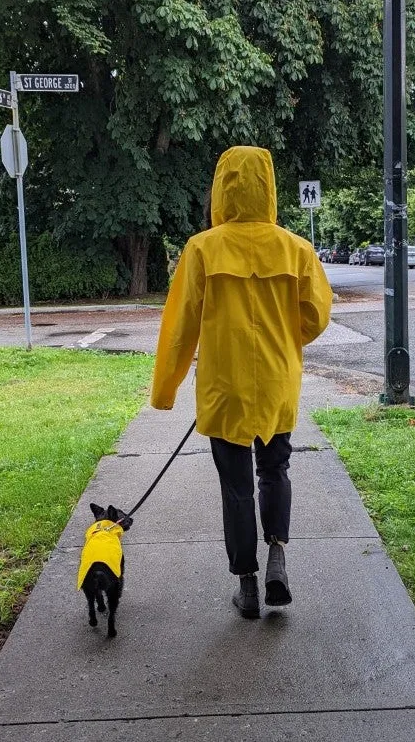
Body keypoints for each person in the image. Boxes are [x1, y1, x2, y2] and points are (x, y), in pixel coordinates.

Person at [151, 146, 333, 619]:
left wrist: (166, 389)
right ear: (269, 189)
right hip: (276, 381)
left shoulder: (201, 249)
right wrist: (285, 341)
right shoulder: (297, 249)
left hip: (224, 385)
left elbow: (180, 328)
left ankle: (247, 583)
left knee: (235, 486)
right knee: (275, 470)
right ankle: (278, 557)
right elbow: (316, 315)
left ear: (221, 189)